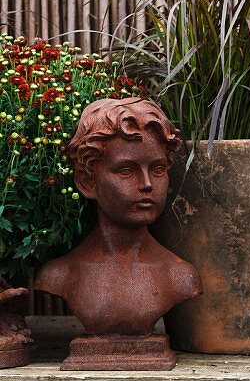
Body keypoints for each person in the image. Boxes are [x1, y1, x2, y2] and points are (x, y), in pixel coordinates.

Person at [36, 98, 201, 337]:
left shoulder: (180, 277)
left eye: (157, 169)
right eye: (126, 170)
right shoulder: (60, 275)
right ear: (87, 182)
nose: (146, 184)